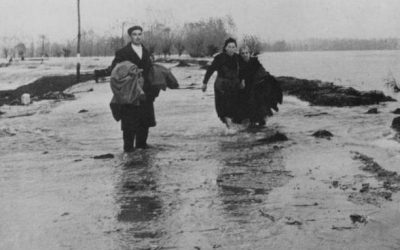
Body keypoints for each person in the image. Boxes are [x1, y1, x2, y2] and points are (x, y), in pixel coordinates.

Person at [110, 25, 159, 152]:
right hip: (130, 91)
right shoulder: (122, 52)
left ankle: (142, 149)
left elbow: (150, 71)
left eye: (140, 34)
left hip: (146, 91)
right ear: (130, 36)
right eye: (135, 34)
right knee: (129, 122)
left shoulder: (147, 52)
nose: (138, 37)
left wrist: (153, 89)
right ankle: (128, 151)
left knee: (144, 121)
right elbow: (115, 70)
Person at [238, 45, 283, 127]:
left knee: (261, 105)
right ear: (240, 54)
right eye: (242, 53)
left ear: (250, 53)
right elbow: (241, 75)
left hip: (260, 85)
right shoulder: (240, 63)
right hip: (249, 87)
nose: (245, 55)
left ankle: (263, 123)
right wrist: (242, 80)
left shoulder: (255, 62)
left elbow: (262, 74)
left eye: (246, 53)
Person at [202, 38, 243, 125]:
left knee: (236, 108)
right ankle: (228, 124)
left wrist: (243, 81)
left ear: (236, 48)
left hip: (234, 85)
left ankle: (234, 126)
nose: (231, 49)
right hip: (221, 86)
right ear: (225, 48)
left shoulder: (238, 58)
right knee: (223, 108)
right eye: (229, 47)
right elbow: (210, 70)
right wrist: (205, 83)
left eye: (233, 47)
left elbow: (244, 71)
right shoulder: (219, 58)